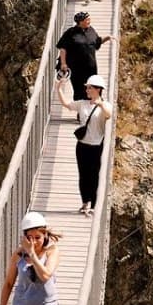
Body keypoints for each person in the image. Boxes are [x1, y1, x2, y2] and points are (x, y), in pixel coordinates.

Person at [56, 73, 112, 216]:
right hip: (82, 145)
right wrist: (59, 89)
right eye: (87, 88)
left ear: (98, 89)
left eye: (90, 88)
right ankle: (85, 202)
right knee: (83, 174)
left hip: (97, 145)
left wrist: (99, 103)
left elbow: (109, 114)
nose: (87, 90)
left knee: (94, 175)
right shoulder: (82, 104)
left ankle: (94, 204)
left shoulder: (105, 105)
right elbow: (67, 104)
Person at [57, 11, 113, 101]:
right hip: (76, 68)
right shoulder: (70, 33)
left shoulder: (91, 30)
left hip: (91, 66)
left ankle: (94, 109)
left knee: (94, 87)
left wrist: (107, 38)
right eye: (87, 19)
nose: (89, 21)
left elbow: (97, 42)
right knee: (79, 90)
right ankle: (81, 112)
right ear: (80, 22)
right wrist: (63, 63)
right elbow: (63, 49)